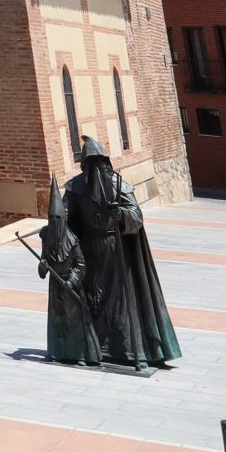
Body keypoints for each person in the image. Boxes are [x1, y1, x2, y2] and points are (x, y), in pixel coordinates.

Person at [38, 135, 182, 371]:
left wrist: (122, 216)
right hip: (87, 250)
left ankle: (130, 350)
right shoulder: (75, 188)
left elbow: (136, 215)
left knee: (122, 301)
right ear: (84, 165)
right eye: (91, 163)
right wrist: (52, 231)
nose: (96, 169)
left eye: (99, 163)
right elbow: (64, 217)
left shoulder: (120, 186)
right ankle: (96, 347)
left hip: (117, 251)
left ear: (106, 163)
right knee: (93, 298)